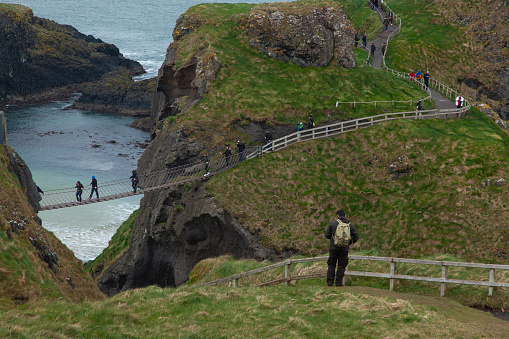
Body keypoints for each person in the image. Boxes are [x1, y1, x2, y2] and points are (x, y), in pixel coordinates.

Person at [325, 209, 359, 287]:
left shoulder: (333, 223)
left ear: (337, 216)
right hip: (344, 248)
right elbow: (356, 236)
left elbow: (327, 235)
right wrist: (348, 243)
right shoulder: (349, 224)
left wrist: (333, 239)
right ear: (345, 215)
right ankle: (339, 283)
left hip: (334, 247)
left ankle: (330, 283)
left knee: (331, 265)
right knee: (341, 266)